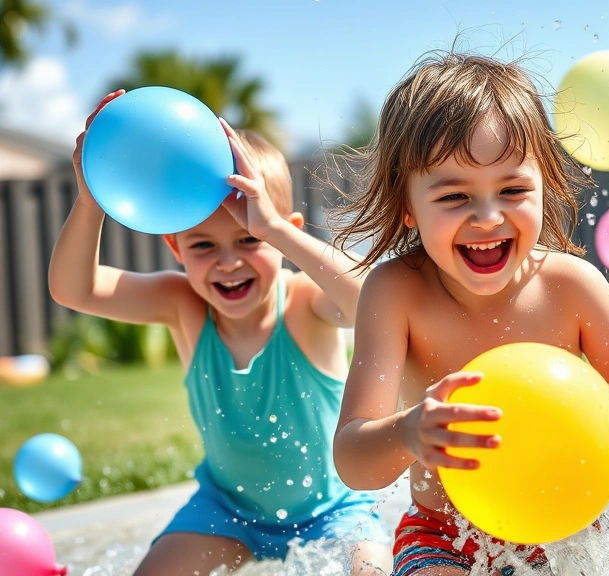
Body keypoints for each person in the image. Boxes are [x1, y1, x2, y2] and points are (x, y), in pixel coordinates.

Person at [328, 50, 609, 576]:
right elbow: (353, 459)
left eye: (514, 189)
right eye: (454, 196)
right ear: (408, 205)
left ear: (545, 184)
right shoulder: (396, 293)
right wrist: (408, 433)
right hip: (446, 536)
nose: (488, 216)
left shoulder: (571, 286)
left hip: (574, 534)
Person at [48, 90, 392, 575]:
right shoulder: (183, 306)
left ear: (282, 232)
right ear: (175, 246)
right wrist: (90, 201)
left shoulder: (303, 305)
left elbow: (375, 303)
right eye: (203, 245)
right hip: (226, 512)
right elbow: (73, 289)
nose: (228, 262)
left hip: (334, 511)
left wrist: (273, 228)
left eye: (250, 239)